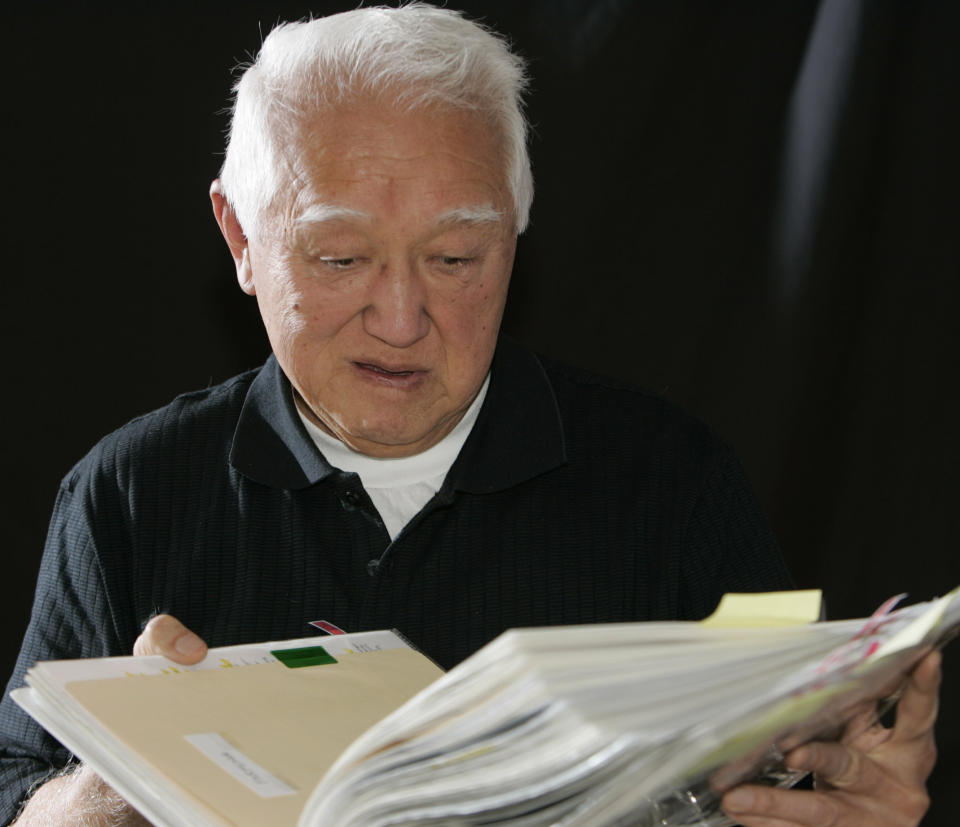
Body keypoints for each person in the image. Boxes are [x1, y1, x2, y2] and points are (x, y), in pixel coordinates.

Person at [0, 5, 940, 826]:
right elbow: (20, 792)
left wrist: (850, 802)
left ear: (516, 236)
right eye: (339, 258)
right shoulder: (127, 492)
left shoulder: (674, 483)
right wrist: (124, 782)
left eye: (456, 258)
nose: (402, 319)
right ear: (241, 238)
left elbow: (788, 774)